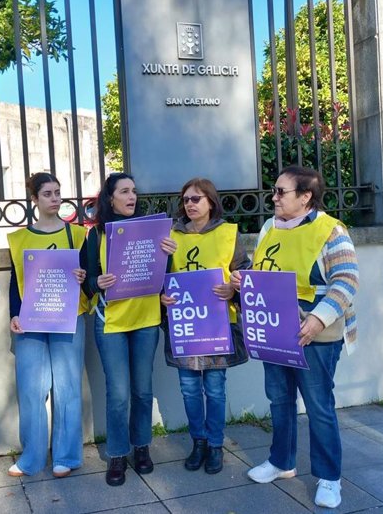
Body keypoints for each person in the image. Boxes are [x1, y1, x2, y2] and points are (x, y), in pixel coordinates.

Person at [231, 165, 359, 509]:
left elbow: (347, 280)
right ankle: (281, 462)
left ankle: (329, 478)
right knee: (279, 400)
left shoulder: (331, 230)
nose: (273, 197)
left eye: (280, 192)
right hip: (275, 330)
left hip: (315, 335)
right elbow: (262, 271)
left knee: (319, 406)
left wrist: (318, 319)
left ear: (305, 197)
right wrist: (244, 280)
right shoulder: (269, 227)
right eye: (273, 191)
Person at [86, 172, 176, 486]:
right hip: (111, 322)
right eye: (124, 191)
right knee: (119, 394)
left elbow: (167, 278)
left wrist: (169, 254)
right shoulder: (97, 234)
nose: (131, 196)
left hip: (146, 321)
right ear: (110, 198)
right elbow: (88, 279)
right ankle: (117, 453)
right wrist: (96, 282)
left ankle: (141, 447)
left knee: (142, 391)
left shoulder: (153, 232)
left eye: (134, 191)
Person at [160, 178, 250, 474]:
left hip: (217, 325)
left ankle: (215, 444)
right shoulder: (169, 235)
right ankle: (197, 442)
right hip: (184, 324)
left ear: (211, 201)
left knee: (214, 388)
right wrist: (163, 294)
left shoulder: (228, 233)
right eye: (186, 199)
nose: (190, 204)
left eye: (196, 198)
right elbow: (157, 276)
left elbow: (244, 274)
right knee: (188, 388)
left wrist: (233, 290)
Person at [6, 172, 88, 478]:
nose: (55, 199)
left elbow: (90, 276)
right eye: (48, 194)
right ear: (35, 199)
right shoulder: (19, 238)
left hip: (69, 317)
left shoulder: (78, 234)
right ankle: (32, 457)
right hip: (31, 318)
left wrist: (82, 277)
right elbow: (16, 280)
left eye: (58, 192)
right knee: (31, 388)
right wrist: (14, 313)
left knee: (67, 387)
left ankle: (66, 456)